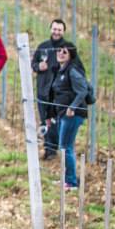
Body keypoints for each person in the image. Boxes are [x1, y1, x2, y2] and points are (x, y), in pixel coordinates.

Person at [31, 19, 75, 160]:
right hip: (43, 91)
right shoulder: (43, 47)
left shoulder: (67, 49)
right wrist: (39, 67)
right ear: (50, 29)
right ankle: (49, 149)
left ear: (63, 32)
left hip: (58, 93)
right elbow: (33, 64)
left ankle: (54, 148)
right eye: (54, 29)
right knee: (45, 121)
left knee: (56, 121)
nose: (56, 32)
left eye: (59, 30)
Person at [50, 43, 88, 190]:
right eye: (59, 50)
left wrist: (72, 107)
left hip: (72, 114)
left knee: (65, 147)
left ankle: (71, 182)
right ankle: (67, 179)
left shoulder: (72, 71)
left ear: (70, 55)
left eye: (64, 52)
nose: (60, 53)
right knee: (65, 147)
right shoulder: (61, 71)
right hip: (63, 113)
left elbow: (83, 90)